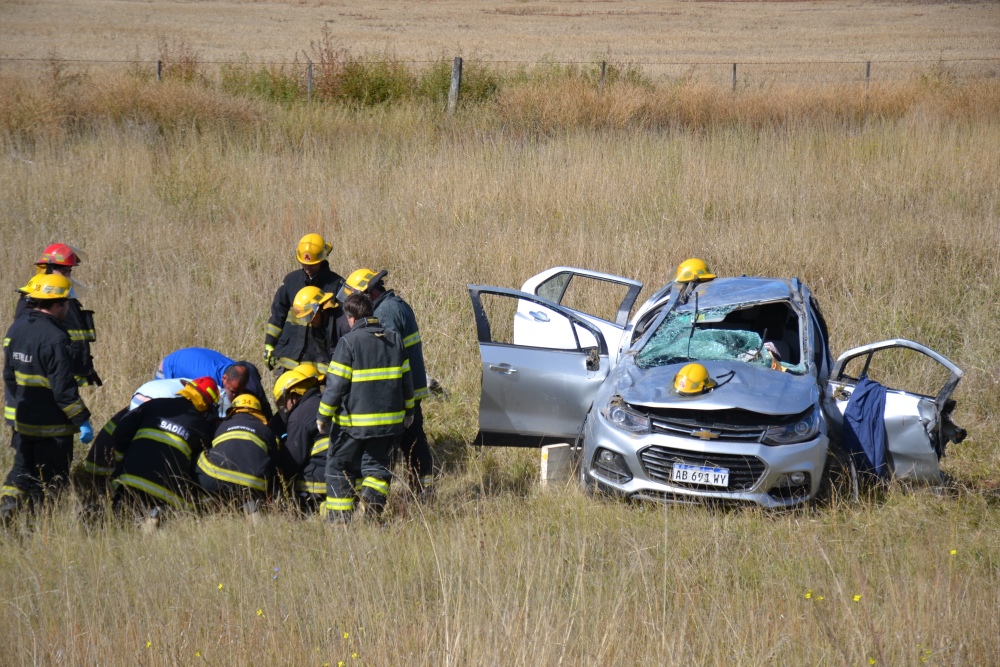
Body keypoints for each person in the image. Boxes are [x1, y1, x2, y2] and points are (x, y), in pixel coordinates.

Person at [2, 273, 94, 521]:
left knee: (20, 472)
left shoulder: (17, 328)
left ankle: (8, 508)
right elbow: (63, 389)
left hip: (22, 421)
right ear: (59, 304)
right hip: (52, 427)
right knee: (52, 479)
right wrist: (82, 420)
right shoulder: (56, 337)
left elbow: (9, 375)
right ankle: (42, 522)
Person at [319, 292, 414, 523]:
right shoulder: (394, 339)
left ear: (351, 318)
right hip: (388, 425)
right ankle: (369, 513)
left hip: (354, 426)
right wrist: (409, 411)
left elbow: (335, 386)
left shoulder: (348, 342)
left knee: (339, 468)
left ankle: (340, 522)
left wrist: (323, 416)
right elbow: (406, 381)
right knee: (377, 470)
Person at [338, 268, 433, 495]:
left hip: (398, 392)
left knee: (393, 445)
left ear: (368, 293)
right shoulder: (395, 304)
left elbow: (385, 356)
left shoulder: (385, 313)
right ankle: (422, 489)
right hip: (408, 389)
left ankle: (387, 495)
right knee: (413, 440)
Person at [107, 377, 220, 512]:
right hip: (167, 494)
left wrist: (120, 460)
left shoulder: (155, 404)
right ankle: (156, 515)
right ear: (208, 406)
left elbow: (122, 430)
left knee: (122, 517)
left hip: (130, 479)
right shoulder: (204, 427)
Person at [14, 244, 101, 387]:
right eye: (63, 271)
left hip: (66, 372)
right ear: (48, 270)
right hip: (50, 377)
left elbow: (77, 337)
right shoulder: (34, 298)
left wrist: (85, 366)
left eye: (69, 271)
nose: (67, 276)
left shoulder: (63, 296)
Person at [264, 233, 345, 373]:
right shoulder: (291, 281)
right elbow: (278, 314)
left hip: (320, 358)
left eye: (312, 264)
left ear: (322, 259)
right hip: (290, 356)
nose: (307, 267)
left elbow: (342, 326)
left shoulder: (337, 285)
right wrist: (269, 343)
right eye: (304, 263)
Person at [195, 394, 277, 507]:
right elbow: (274, 464)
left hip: (215, 478)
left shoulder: (222, 425)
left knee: (198, 457)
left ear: (233, 410)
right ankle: (248, 504)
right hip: (253, 484)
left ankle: (204, 504)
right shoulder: (266, 431)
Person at [157, 347, 272, 420]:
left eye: (238, 392)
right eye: (233, 391)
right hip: (169, 369)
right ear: (224, 378)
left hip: (190, 360)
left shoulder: (234, 372)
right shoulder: (209, 380)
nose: (235, 396)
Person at [272, 369, 326, 512]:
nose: (284, 408)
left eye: (283, 403)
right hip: (346, 476)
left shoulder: (299, 415)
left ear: (293, 396)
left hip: (320, 481)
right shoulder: (323, 402)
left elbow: (292, 461)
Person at [270, 286, 339, 376]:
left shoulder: (337, 324)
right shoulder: (291, 287)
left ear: (320, 309)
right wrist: (270, 343)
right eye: (306, 318)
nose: (309, 321)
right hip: (294, 367)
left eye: (310, 316)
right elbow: (278, 317)